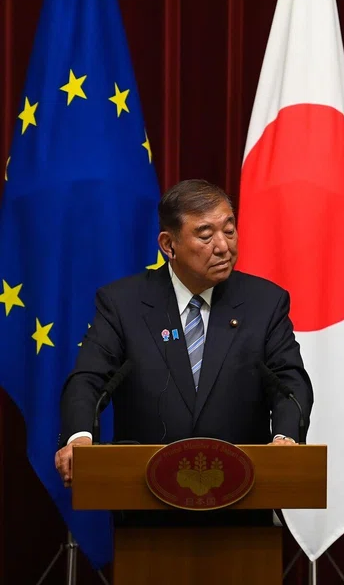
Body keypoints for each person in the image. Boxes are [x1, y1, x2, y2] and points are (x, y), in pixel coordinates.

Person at [55, 179, 313, 488]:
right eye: (206, 235)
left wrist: (285, 437)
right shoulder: (123, 304)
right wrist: (80, 437)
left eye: (229, 230)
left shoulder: (264, 302)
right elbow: (88, 379)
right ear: (168, 245)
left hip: (243, 496)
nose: (223, 246)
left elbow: (289, 380)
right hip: (145, 499)